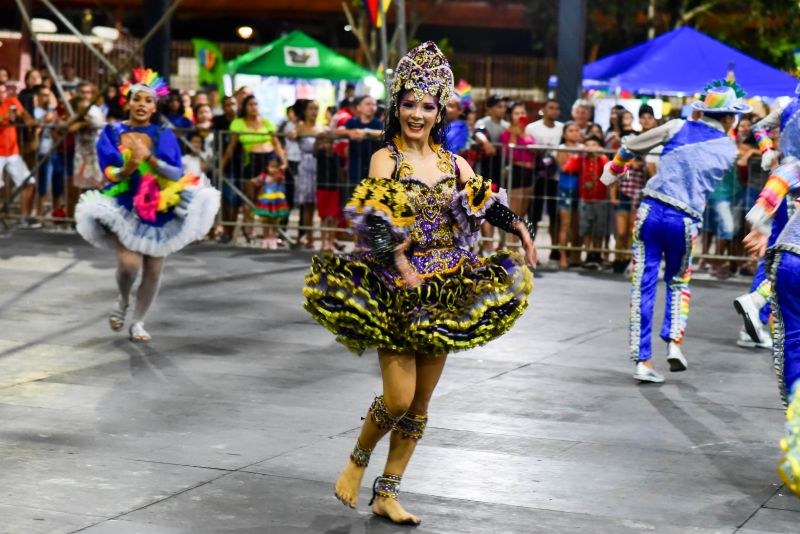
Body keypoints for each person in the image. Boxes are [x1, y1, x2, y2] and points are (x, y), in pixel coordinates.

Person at [303, 42, 536, 525]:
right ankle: (357, 460)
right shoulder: (386, 159)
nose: (416, 113)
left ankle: (388, 492)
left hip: (447, 286)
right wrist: (401, 263)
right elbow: (375, 220)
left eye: (426, 105)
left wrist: (520, 228)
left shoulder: (454, 164)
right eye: (408, 103)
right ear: (397, 106)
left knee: (422, 402)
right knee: (398, 398)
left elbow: (487, 202)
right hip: (397, 288)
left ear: (439, 110)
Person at [601, 81, 748, 383]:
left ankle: (643, 360)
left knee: (643, 285)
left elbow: (630, 146)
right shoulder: (728, 149)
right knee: (678, 282)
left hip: (650, 213)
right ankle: (674, 343)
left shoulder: (676, 127)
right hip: (684, 221)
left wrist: (612, 172)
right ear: (729, 118)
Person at [74, 69, 220, 342]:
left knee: (154, 268)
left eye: (148, 101)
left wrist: (150, 160)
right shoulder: (112, 131)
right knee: (129, 265)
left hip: (160, 203)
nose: (142, 105)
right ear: (128, 102)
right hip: (125, 203)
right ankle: (122, 300)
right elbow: (109, 172)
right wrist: (128, 167)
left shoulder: (163, 133)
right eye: (137, 99)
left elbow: (177, 173)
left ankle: (138, 321)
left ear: (155, 106)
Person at [741, 148, 800, 495]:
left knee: (794, 344)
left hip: (789, 258)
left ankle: (796, 443)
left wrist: (761, 227)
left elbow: (778, 180)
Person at [733, 88, 800, 350]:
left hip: (782, 184)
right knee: (788, 254)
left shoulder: (787, 107)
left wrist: (768, 152)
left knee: (775, 254)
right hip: (795, 189)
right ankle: (759, 306)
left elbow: (759, 128)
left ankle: (757, 319)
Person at [221, 94, 286, 241]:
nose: (254, 107)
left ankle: (268, 233)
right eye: (251, 104)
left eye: (256, 104)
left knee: (268, 198)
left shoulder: (267, 122)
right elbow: (231, 147)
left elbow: (276, 143)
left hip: (269, 162)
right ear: (244, 107)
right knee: (249, 199)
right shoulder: (238, 123)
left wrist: (283, 161)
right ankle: (249, 230)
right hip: (250, 162)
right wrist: (222, 166)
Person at [563, 135, 609, 269]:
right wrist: (578, 154)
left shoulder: (603, 159)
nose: (591, 148)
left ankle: (597, 253)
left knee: (599, 229)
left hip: (600, 199)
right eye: (588, 145)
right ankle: (588, 254)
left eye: (594, 145)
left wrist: (603, 154)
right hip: (585, 199)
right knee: (586, 228)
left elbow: (609, 172)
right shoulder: (581, 159)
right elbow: (568, 168)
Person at [526, 98, 563, 260]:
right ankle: (530, 249)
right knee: (534, 215)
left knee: (556, 216)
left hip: (557, 178)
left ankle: (555, 249)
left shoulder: (562, 128)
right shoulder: (532, 128)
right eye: (551, 108)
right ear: (544, 109)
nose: (553, 111)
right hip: (537, 177)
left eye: (556, 108)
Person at [474, 95, 509, 253]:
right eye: (499, 106)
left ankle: (497, 245)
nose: (502, 109)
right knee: (485, 207)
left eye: (504, 106)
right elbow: (478, 133)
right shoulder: (483, 122)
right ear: (490, 108)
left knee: (497, 208)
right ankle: (487, 245)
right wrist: (486, 143)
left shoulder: (506, 125)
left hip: (501, 171)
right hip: (484, 171)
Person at [0, 83, 38, 227]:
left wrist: (30, 122)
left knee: (29, 183)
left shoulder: (12, 102)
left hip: (12, 151)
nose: (2, 95)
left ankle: (24, 217)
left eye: (4, 92)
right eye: (0, 92)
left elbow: (24, 114)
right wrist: (4, 117)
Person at [499, 102, 535, 249]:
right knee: (513, 214)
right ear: (511, 116)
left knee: (522, 213)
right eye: (517, 113)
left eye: (522, 112)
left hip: (529, 173)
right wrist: (515, 133)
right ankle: (510, 248)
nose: (520, 116)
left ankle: (515, 247)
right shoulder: (508, 133)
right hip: (516, 172)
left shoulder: (529, 132)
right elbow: (508, 152)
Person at [293, 99, 326, 248]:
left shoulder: (322, 128)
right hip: (305, 166)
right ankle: (309, 236)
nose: (314, 112)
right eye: (311, 108)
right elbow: (291, 135)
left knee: (320, 203)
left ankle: (325, 237)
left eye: (316, 108)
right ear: (305, 111)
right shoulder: (300, 126)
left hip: (320, 165)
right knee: (307, 204)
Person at [555, 121, 584, 269]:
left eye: (576, 130)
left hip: (580, 189)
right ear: (565, 134)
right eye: (571, 130)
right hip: (566, 189)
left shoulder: (583, 148)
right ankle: (563, 256)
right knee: (565, 224)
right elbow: (564, 167)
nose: (574, 133)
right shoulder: (561, 148)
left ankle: (576, 255)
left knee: (577, 224)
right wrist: (577, 159)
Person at [253, 154, 289, 249]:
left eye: (276, 167)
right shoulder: (264, 176)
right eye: (272, 166)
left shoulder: (279, 176)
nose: (274, 169)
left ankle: (273, 238)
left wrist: (281, 169)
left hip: (276, 203)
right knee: (265, 221)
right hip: (266, 203)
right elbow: (257, 181)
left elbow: (279, 177)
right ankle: (266, 238)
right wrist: (256, 181)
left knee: (274, 222)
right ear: (267, 167)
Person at [315, 134, 343, 252]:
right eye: (325, 143)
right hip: (321, 187)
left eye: (330, 143)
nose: (328, 145)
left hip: (334, 188)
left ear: (333, 144)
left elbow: (342, 170)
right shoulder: (320, 154)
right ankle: (323, 242)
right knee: (323, 217)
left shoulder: (338, 157)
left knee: (332, 217)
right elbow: (314, 150)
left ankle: (330, 242)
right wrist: (318, 138)